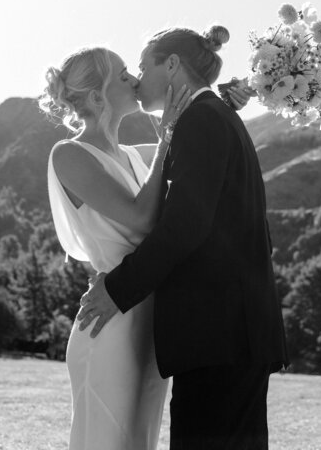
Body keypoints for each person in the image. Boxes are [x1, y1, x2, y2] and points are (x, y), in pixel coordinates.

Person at [77, 25, 289, 449]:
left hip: (220, 336)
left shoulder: (202, 120)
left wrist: (116, 290)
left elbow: (185, 227)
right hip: (234, 333)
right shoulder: (210, 115)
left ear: (171, 65)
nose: (137, 80)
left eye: (142, 66)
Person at [39, 41, 250, 450]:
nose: (135, 80)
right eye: (122, 75)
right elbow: (141, 217)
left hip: (153, 320)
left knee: (141, 440)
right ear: (98, 94)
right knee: (107, 437)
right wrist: (168, 133)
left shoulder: (137, 156)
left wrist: (225, 102)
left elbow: (201, 146)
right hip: (111, 320)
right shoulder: (70, 154)